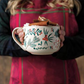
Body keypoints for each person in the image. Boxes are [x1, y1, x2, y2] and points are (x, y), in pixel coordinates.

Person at [0, 0, 84, 84]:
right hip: (21, 80)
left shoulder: (76, 2)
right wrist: (23, 43)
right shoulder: (7, 2)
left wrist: (63, 44)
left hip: (66, 80)